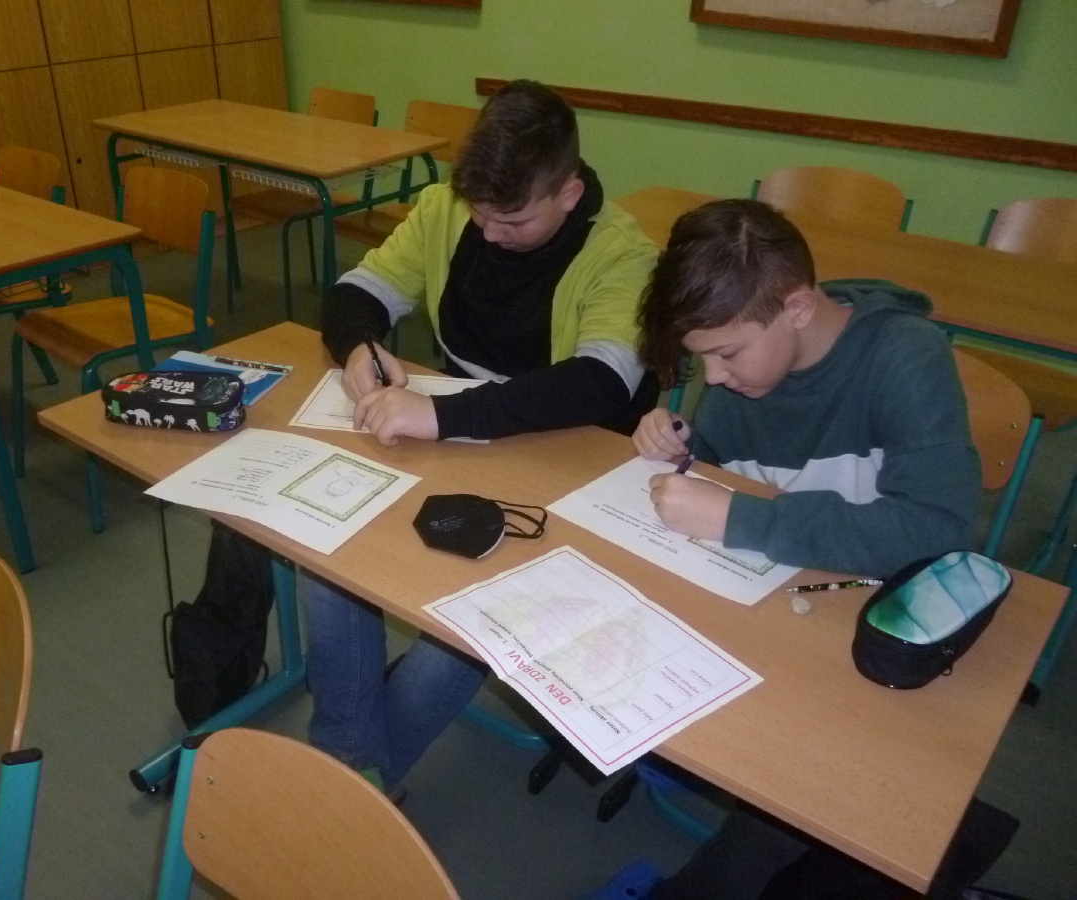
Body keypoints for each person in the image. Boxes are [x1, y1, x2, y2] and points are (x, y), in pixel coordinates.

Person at [586, 198, 981, 900]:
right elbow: (719, 465)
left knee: (796, 801)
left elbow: (938, 529)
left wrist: (743, 517)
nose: (714, 378)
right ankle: (699, 764)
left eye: (725, 354)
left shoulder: (906, 358)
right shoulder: (746, 366)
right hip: (775, 599)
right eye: (702, 357)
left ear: (797, 308)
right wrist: (677, 446)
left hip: (863, 619)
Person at [306, 79, 660, 793]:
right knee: (324, 553)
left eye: (514, 221)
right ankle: (353, 772)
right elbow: (357, 292)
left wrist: (441, 417)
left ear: (568, 193)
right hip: (462, 440)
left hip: (574, 460)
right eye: (481, 215)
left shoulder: (623, 253)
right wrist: (357, 351)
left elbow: (598, 385)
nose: (491, 233)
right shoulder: (447, 207)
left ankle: (349, 781)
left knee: (461, 632)